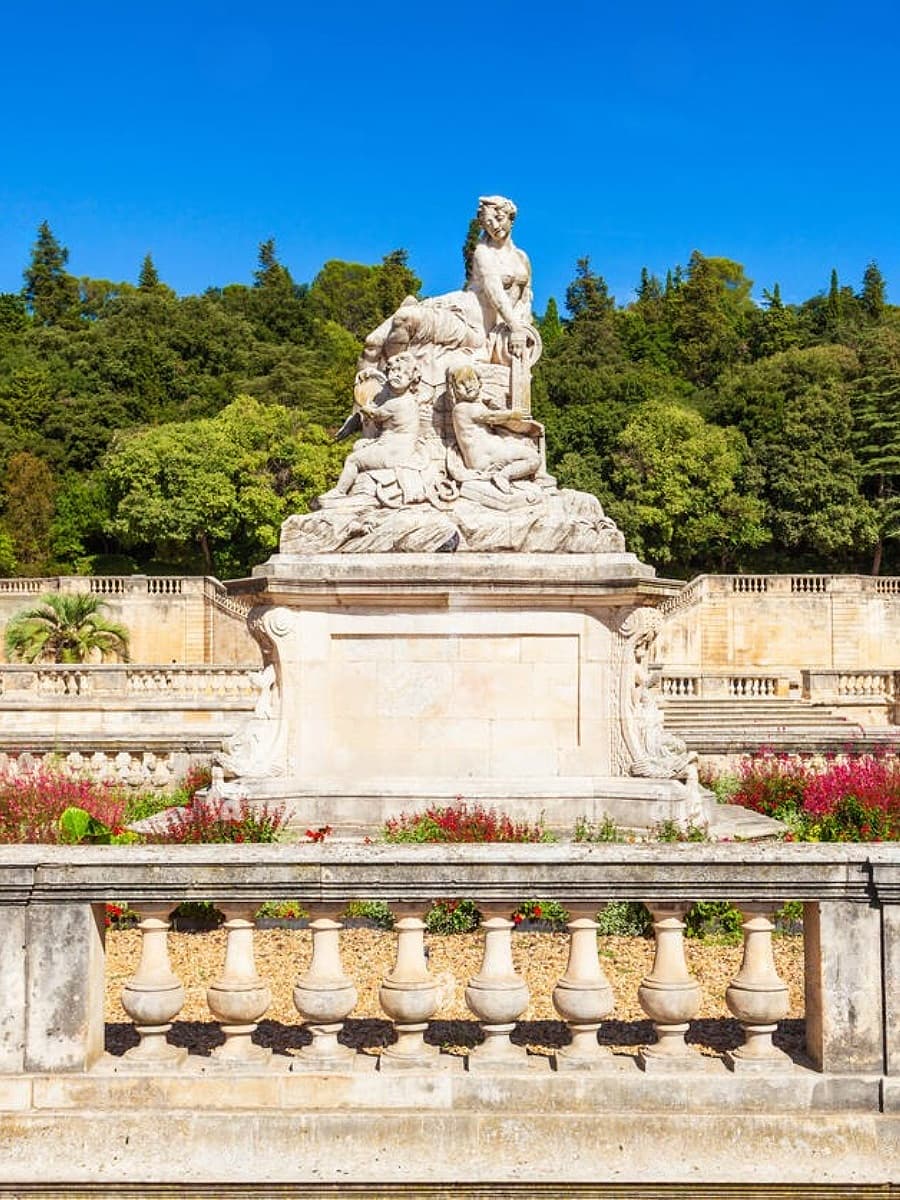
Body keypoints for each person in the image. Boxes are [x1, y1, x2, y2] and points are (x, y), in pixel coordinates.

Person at [321, 353, 423, 498]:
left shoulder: (394, 404)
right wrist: (372, 373)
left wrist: (364, 406)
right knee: (358, 445)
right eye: (394, 370)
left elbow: (374, 414)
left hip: (393, 452)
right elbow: (386, 385)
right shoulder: (408, 398)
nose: (398, 375)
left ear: (412, 378)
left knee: (352, 460)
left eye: (405, 373)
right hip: (396, 446)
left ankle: (339, 492)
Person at [447, 363, 542, 492]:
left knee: (526, 444)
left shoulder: (473, 406)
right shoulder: (462, 408)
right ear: (454, 389)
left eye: (471, 380)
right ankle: (503, 476)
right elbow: (492, 417)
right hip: (486, 459)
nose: (468, 386)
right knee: (533, 458)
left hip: (492, 453)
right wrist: (514, 414)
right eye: (462, 383)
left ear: (479, 383)